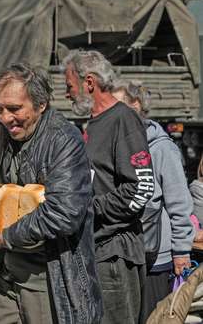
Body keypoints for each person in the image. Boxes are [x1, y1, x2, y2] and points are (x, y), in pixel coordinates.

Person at [0, 63, 102, 323]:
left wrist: (1, 239)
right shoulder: (3, 136)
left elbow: (64, 213)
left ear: (41, 105)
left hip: (48, 280)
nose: (5, 118)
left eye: (15, 109)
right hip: (5, 276)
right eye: (0, 109)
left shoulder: (63, 140)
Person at [64, 50, 154, 324]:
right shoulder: (93, 123)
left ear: (89, 83)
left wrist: (88, 209)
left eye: (70, 87)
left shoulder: (123, 119)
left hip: (116, 257)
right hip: (96, 250)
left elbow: (140, 189)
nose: (67, 94)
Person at [112, 80, 195, 322]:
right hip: (126, 255)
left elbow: (179, 203)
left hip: (156, 259)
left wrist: (181, 252)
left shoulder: (161, 149)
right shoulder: (118, 146)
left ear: (135, 105)